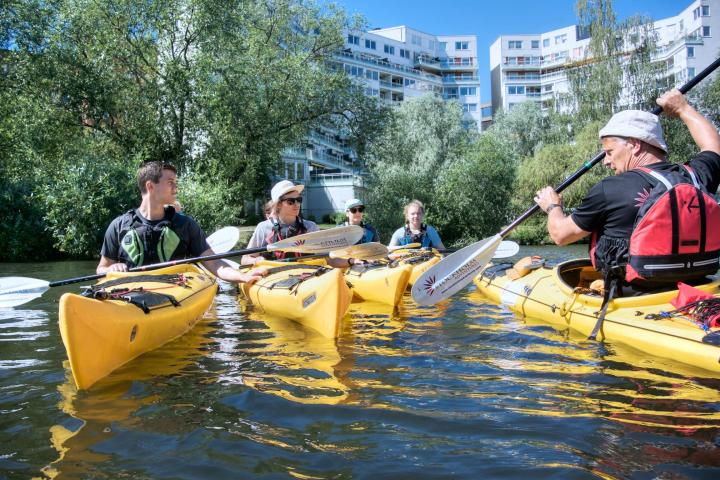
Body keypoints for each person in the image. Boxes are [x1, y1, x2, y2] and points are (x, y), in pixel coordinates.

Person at [533, 88, 720, 290]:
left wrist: (552, 206)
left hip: (632, 295)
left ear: (634, 145)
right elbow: (713, 146)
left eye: (609, 152)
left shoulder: (609, 189)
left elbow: (560, 235)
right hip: (698, 287)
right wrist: (683, 108)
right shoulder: (695, 177)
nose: (606, 161)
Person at [97, 161, 266, 284]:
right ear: (150, 186)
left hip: (174, 292)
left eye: (175, 183)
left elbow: (214, 263)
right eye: (170, 183)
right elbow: (101, 269)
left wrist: (242, 276)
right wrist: (111, 269)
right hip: (130, 291)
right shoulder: (119, 226)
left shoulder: (185, 225)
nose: (176, 188)